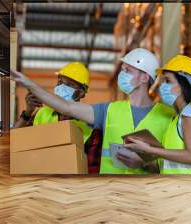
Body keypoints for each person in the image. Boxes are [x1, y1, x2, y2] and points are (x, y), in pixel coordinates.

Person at [11, 48, 175, 174]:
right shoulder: (108, 109)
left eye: (127, 71)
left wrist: (144, 163)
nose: (121, 74)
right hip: (108, 195)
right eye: (122, 69)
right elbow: (66, 107)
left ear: (145, 78)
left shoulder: (168, 117)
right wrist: (29, 83)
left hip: (146, 198)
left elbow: (174, 164)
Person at [124, 55, 191, 174]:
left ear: (184, 84)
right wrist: (142, 162)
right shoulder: (177, 119)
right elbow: (169, 164)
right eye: (163, 81)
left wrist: (149, 149)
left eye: (168, 81)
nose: (163, 86)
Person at [13, 62, 102, 174]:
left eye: (69, 84)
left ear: (81, 93)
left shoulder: (90, 127)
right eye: (59, 82)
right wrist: (28, 111)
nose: (61, 87)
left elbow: (92, 169)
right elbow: (14, 140)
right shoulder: (42, 113)